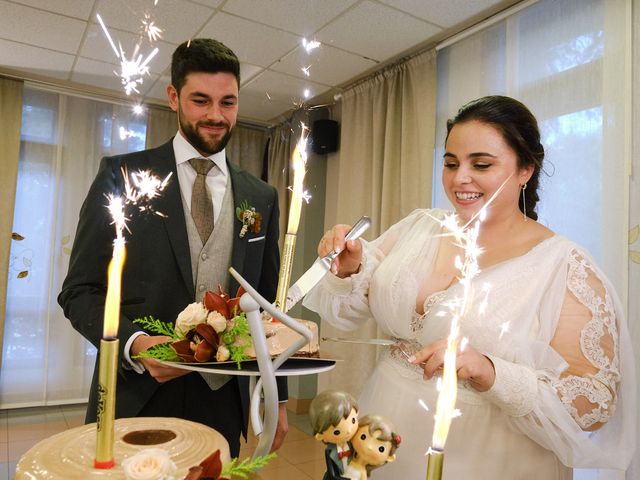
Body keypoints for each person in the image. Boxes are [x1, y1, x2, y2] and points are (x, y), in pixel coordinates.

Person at [304, 96, 635, 478]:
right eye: (450, 163)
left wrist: (491, 371)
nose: (460, 178)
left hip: (486, 455)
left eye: (481, 164)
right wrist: (352, 267)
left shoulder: (564, 266)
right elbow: (351, 309)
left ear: (526, 168)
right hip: (384, 429)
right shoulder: (420, 226)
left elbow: (592, 405)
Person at [58, 38, 288, 457]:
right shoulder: (122, 176)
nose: (216, 116)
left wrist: (279, 398)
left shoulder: (261, 196)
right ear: (173, 97)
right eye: (201, 100)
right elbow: (79, 291)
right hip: (135, 396)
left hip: (223, 399)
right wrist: (136, 344)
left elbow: (268, 305)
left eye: (228, 102)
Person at [310, 390, 360, 480]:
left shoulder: (354, 444)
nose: (349, 430)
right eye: (336, 432)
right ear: (320, 436)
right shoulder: (330, 451)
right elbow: (332, 473)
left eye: (353, 421)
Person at [344, 414, 400, 480]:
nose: (369, 446)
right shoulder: (344, 458)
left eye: (381, 449)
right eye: (363, 437)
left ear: (389, 458)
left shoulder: (362, 472)